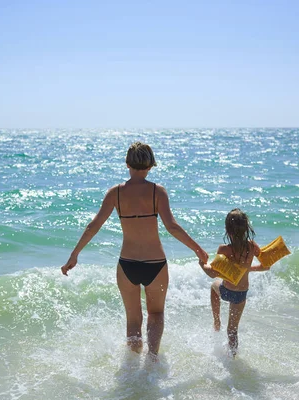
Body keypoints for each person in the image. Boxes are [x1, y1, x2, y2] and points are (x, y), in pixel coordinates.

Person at [61, 141, 208, 360]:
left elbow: (93, 226)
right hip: (155, 264)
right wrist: (198, 250)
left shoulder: (115, 193)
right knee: (156, 314)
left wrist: (75, 255)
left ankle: (132, 367)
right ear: (151, 165)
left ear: (127, 164)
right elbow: (172, 227)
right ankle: (153, 359)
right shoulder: (157, 191)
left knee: (133, 318)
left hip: (127, 264)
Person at [199, 208, 270, 357]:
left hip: (226, 290)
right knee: (232, 330)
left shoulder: (224, 249)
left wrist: (202, 264)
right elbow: (266, 266)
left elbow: (212, 273)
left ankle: (216, 321)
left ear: (227, 229)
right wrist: (247, 269)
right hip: (241, 295)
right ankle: (233, 358)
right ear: (246, 228)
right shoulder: (252, 246)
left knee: (214, 287)